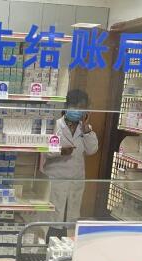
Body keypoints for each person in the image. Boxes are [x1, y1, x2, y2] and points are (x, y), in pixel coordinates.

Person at [40, 89, 99, 233]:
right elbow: (44, 150)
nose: (78, 110)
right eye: (75, 106)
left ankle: (65, 242)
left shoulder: (85, 129)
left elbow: (92, 150)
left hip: (75, 180)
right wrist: (60, 151)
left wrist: (86, 130)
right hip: (56, 179)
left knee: (70, 217)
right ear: (67, 106)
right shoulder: (55, 126)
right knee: (52, 219)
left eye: (82, 107)